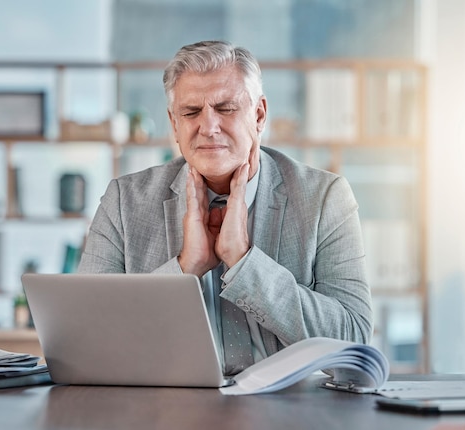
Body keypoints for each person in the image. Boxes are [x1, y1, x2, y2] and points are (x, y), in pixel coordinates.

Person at [78, 40, 372, 375]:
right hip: (166, 410)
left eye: (226, 108)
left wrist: (245, 263)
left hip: (290, 411)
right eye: (191, 112)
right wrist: (185, 268)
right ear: (174, 125)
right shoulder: (123, 201)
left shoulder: (325, 197)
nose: (208, 127)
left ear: (259, 115)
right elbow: (87, 341)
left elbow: (354, 343)